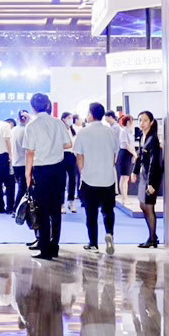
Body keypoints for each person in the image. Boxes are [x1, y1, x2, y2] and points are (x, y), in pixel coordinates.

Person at [23, 94, 70, 261]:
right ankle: (54, 246)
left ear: (33, 107)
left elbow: (30, 152)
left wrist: (28, 174)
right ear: (48, 105)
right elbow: (68, 144)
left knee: (42, 209)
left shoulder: (31, 125)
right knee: (56, 209)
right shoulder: (58, 123)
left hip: (41, 170)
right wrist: (54, 147)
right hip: (58, 169)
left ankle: (44, 249)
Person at [73, 102, 119, 255]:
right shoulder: (110, 132)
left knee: (91, 213)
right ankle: (109, 234)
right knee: (108, 211)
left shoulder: (83, 132)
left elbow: (80, 157)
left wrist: (83, 172)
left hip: (90, 179)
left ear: (91, 115)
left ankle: (93, 244)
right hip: (108, 178)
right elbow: (115, 155)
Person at [134, 110, 163, 248]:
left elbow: (154, 162)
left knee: (149, 206)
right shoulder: (142, 136)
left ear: (151, 122)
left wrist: (151, 183)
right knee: (142, 204)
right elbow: (139, 156)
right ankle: (153, 235)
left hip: (151, 177)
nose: (142, 123)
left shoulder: (153, 139)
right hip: (143, 175)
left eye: (145, 120)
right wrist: (134, 172)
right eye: (140, 120)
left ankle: (152, 239)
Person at [0, 118, 17, 213]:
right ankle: (10, 207)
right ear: (11, 123)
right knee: (10, 183)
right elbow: (7, 140)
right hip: (3, 156)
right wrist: (11, 155)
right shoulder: (6, 126)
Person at [114, 114, 136, 205]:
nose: (133, 123)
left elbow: (132, 145)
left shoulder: (131, 132)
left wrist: (134, 154)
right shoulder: (123, 131)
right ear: (127, 122)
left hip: (129, 154)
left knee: (126, 177)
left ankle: (125, 197)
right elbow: (126, 145)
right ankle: (124, 198)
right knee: (124, 177)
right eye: (131, 121)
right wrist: (135, 154)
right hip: (124, 154)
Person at [60, 112, 80, 214]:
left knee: (72, 179)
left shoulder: (73, 130)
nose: (70, 120)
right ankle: (61, 204)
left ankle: (71, 202)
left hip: (72, 155)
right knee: (62, 180)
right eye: (68, 118)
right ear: (63, 119)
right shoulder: (59, 130)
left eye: (71, 118)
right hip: (62, 155)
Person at [13, 110, 32, 200]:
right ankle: (17, 207)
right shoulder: (26, 131)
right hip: (24, 164)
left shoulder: (13, 130)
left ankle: (16, 206)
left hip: (15, 163)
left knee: (21, 188)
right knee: (23, 189)